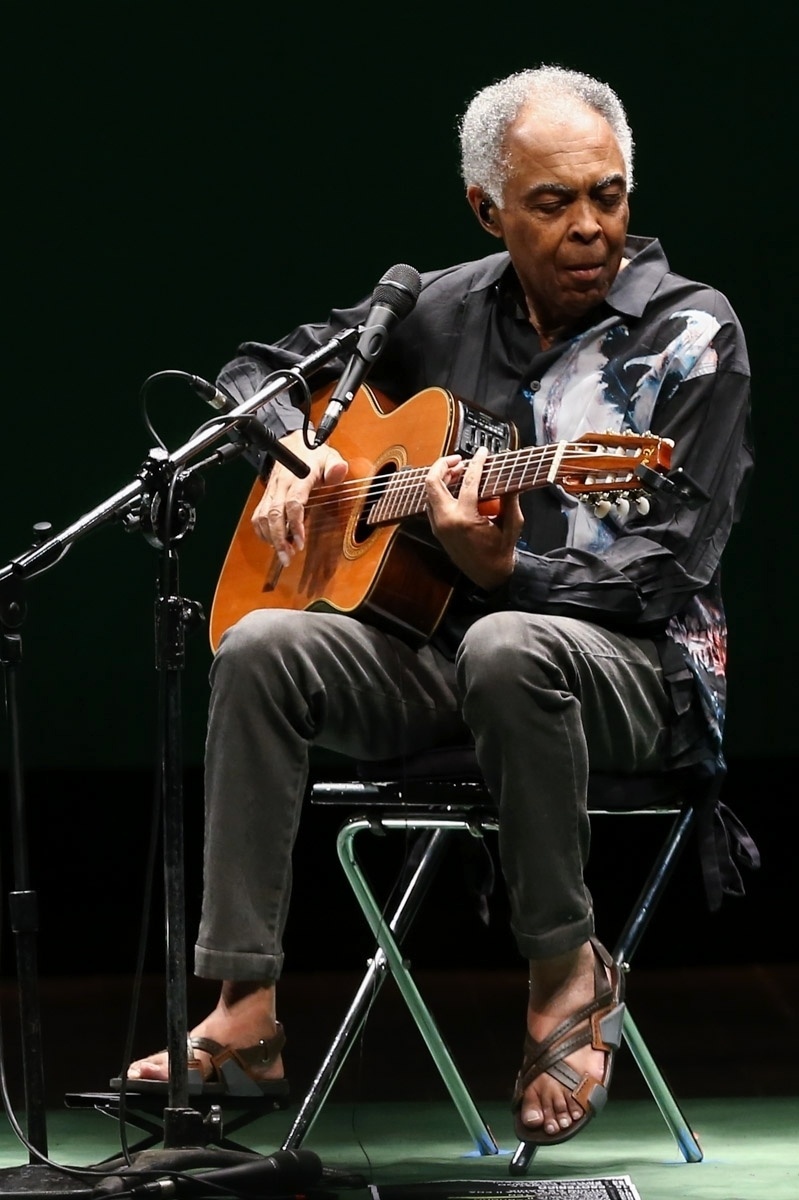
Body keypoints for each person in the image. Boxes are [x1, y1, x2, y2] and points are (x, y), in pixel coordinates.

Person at [119, 64, 755, 1146]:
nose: (588, 227)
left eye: (606, 196)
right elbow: (252, 372)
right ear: (487, 209)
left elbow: (665, 578)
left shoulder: (692, 333)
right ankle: (245, 1004)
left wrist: (508, 575)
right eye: (551, 203)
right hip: (446, 659)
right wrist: (292, 448)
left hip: (633, 677)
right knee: (262, 644)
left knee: (508, 642)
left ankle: (567, 968)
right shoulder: (438, 306)